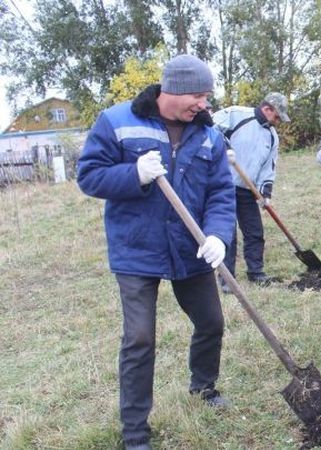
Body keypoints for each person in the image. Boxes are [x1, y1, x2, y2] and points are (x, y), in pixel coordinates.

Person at [77, 54, 235, 450]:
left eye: (206, 96)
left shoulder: (210, 135)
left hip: (190, 245)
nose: (204, 104)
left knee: (211, 322)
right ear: (173, 90)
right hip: (137, 247)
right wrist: (134, 175)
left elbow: (219, 192)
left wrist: (217, 235)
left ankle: (204, 388)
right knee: (140, 338)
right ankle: (135, 432)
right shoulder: (117, 122)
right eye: (198, 96)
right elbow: (89, 176)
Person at [212, 93, 290, 292]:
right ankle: (226, 278)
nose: (278, 121)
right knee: (228, 233)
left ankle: (256, 272)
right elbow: (209, 125)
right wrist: (224, 144)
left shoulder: (272, 137)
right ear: (267, 109)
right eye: (278, 116)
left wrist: (266, 192)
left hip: (248, 189)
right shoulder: (237, 114)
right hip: (223, 184)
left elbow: (268, 168)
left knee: (255, 232)